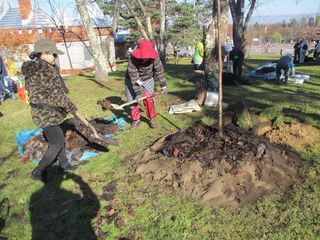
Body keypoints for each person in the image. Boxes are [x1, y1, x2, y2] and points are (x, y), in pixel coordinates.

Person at [21, 39, 101, 183]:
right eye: (53, 55)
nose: (55, 57)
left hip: (44, 112)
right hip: (47, 114)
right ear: (43, 54)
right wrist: (73, 109)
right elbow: (59, 97)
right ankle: (37, 172)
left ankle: (64, 165)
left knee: (57, 139)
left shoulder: (34, 68)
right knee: (56, 143)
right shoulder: (45, 70)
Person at [125, 39, 167, 129]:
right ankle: (136, 119)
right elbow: (134, 78)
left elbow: (160, 71)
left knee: (149, 98)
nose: (146, 58)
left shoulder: (155, 58)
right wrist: (137, 93)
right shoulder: (132, 59)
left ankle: (152, 118)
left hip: (148, 78)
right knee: (132, 99)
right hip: (132, 79)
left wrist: (163, 86)